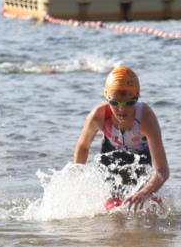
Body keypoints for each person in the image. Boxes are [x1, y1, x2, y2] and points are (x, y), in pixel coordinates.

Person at [72, 66, 170, 211]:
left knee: (152, 207)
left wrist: (144, 192)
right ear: (107, 98)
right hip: (111, 158)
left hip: (140, 160)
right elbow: (83, 147)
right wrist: (75, 180)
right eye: (115, 103)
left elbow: (163, 171)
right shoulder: (98, 116)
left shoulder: (146, 119)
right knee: (113, 209)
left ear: (137, 98)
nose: (121, 109)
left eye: (128, 103)